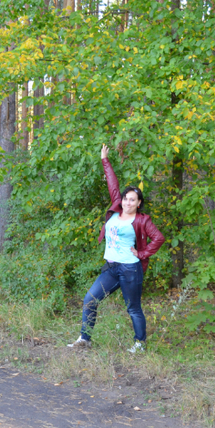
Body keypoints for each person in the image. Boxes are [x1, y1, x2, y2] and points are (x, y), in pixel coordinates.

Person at [68, 144, 166, 353]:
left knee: (133, 308)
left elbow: (159, 238)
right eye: (125, 199)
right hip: (112, 268)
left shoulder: (142, 220)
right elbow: (113, 184)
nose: (127, 202)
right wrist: (105, 159)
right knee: (90, 299)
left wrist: (142, 253)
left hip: (130, 269)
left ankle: (140, 344)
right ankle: (85, 339)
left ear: (139, 203)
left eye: (132, 200)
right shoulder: (116, 209)